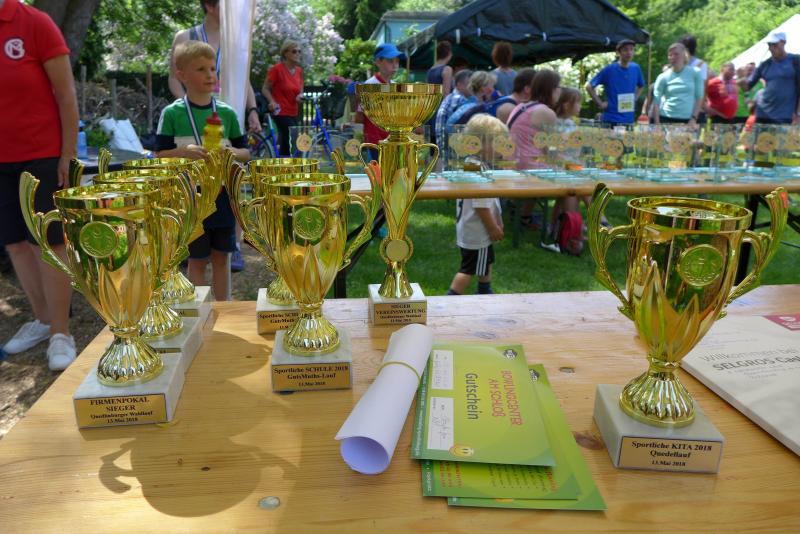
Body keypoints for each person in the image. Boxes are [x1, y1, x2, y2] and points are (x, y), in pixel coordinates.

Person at [0, 0, 77, 370]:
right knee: (15, 243)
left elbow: (66, 94)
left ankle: (61, 333)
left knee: (49, 243)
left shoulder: (34, 23)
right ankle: (44, 320)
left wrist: (68, 155)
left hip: (41, 154)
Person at [168, 0, 260, 273]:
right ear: (210, 6)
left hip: (227, 119)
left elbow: (244, 81)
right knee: (193, 178)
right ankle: (191, 240)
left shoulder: (237, 40)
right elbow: (174, 78)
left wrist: (253, 110)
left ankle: (231, 244)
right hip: (194, 117)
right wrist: (189, 107)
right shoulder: (186, 37)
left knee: (230, 178)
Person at [156, 41, 250, 301]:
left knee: (222, 257)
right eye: (201, 69)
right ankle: (197, 307)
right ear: (181, 75)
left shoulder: (227, 113)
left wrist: (230, 152)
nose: (210, 75)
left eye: (212, 68)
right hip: (190, 198)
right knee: (196, 260)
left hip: (221, 195)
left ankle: (223, 307)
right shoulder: (172, 114)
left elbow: (246, 152)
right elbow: (159, 155)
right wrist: (184, 151)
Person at [447, 115, 506, 296]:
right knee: (468, 270)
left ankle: (485, 291)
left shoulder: (472, 164)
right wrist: (492, 227)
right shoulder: (477, 168)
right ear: (480, 144)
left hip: (471, 229)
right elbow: (480, 204)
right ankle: (450, 299)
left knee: (485, 262)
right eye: (497, 143)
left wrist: (497, 220)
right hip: (478, 230)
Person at [742, 31, 800, 125]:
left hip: (785, 116)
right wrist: (741, 79)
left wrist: (797, 113)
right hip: (762, 114)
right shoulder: (765, 65)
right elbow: (747, 86)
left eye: (774, 44)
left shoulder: (795, 60)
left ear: (783, 42)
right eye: (769, 45)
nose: (771, 48)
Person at [508, 69, 561, 169]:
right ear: (552, 89)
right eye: (559, 87)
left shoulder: (519, 107)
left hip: (512, 165)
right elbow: (552, 150)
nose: (560, 91)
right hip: (533, 168)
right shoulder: (546, 113)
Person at [356, 43, 404, 153]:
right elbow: (359, 117)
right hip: (374, 143)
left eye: (397, 61)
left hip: (393, 141)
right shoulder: (369, 86)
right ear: (378, 62)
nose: (395, 65)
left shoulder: (395, 86)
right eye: (390, 61)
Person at [585, 39, 645, 126]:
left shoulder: (636, 68)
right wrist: (600, 103)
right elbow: (589, 86)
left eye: (631, 49)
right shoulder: (610, 69)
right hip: (611, 119)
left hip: (629, 119)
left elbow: (641, 85)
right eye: (625, 50)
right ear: (618, 53)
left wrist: (635, 98)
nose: (629, 52)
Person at [261, 40, 304, 156]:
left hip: (293, 111)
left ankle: (283, 163)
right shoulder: (277, 69)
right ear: (286, 53)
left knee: (286, 142)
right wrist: (272, 101)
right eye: (294, 51)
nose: (298, 54)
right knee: (292, 137)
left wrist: (300, 96)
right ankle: (292, 163)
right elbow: (265, 88)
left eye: (299, 51)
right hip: (280, 111)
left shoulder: (299, 71)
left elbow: (300, 89)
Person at [652, 42, 704, 126]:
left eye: (676, 54)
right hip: (666, 118)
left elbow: (699, 97)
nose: (673, 57)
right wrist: (657, 124)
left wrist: (694, 119)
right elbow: (656, 102)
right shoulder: (662, 77)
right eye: (670, 55)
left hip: (688, 120)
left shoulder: (695, 73)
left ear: (684, 55)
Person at [434, 69, 473, 143]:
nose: (473, 87)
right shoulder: (459, 99)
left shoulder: (450, 97)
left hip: (443, 144)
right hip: (452, 146)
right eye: (470, 84)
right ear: (459, 85)